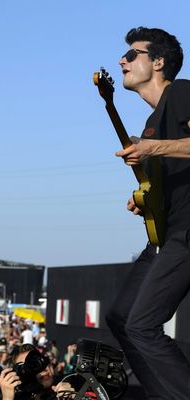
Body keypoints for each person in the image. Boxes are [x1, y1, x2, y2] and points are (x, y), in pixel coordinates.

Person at [104, 26, 190, 399]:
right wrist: (145, 200)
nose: (122, 60)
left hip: (186, 234)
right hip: (166, 233)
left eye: (133, 54)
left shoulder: (182, 92)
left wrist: (153, 149)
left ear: (158, 62)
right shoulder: (151, 124)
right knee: (120, 318)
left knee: (142, 325)